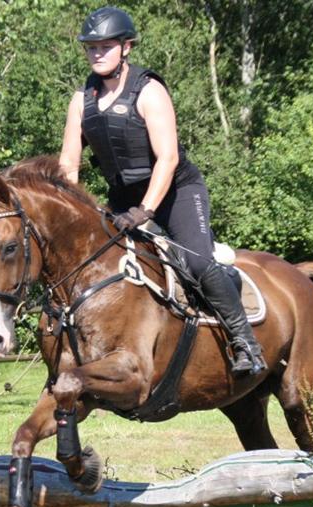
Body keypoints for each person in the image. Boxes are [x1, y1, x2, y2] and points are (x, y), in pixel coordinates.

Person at [59, 6, 266, 375]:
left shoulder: (149, 91)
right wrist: (66, 215)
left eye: (105, 46)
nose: (97, 53)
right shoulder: (81, 101)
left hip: (175, 193)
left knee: (198, 262)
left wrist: (146, 210)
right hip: (123, 199)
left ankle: (245, 343)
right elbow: (69, 166)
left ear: (126, 48)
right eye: (91, 47)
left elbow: (167, 159)